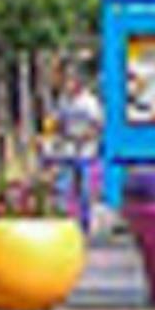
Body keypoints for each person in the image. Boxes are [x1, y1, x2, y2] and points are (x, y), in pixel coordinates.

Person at [46, 61, 106, 230]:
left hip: (85, 150)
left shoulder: (89, 102)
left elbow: (98, 124)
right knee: (63, 185)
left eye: (70, 82)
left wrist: (87, 136)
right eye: (65, 82)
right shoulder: (63, 101)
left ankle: (85, 222)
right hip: (68, 148)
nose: (67, 86)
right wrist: (57, 134)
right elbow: (58, 122)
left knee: (84, 188)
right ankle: (63, 220)